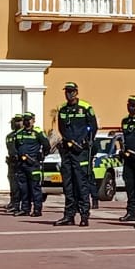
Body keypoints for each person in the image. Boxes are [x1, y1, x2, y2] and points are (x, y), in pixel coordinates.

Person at [54, 82, 97, 227]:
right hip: (67, 151)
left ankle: (84, 215)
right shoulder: (63, 109)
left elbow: (93, 127)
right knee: (68, 185)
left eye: (71, 91)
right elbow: (61, 128)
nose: (69, 94)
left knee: (81, 184)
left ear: (76, 92)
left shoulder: (85, 107)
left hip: (81, 152)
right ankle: (69, 215)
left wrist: (85, 142)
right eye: (67, 91)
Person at [5, 113, 47, 216]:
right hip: (21, 164)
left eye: (29, 120)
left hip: (33, 164)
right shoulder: (19, 133)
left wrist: (41, 156)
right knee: (23, 188)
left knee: (35, 188)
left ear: (33, 120)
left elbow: (46, 145)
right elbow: (13, 147)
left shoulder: (37, 132)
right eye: (25, 120)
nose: (27, 122)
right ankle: (25, 209)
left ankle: (37, 210)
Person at [118, 95, 135, 222]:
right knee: (130, 186)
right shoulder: (125, 121)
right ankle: (131, 212)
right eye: (130, 105)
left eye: (134, 105)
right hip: (128, 159)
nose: (132, 108)